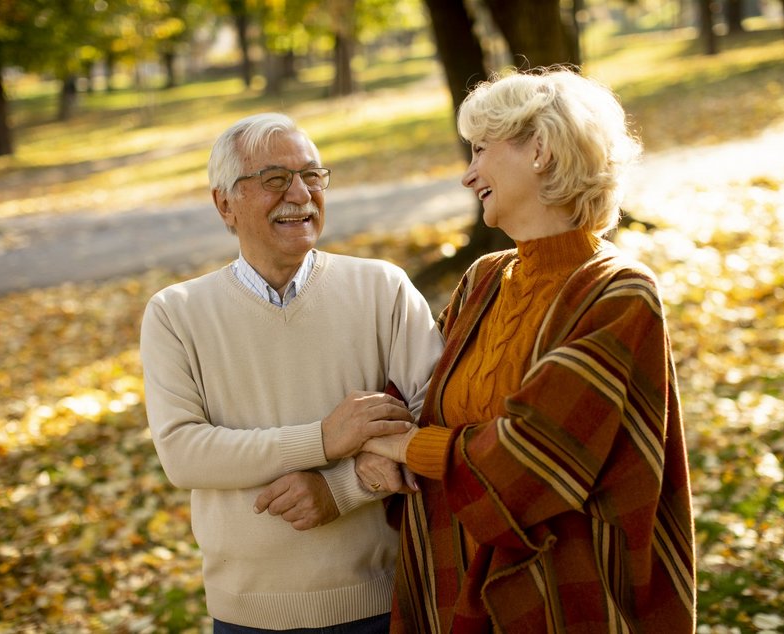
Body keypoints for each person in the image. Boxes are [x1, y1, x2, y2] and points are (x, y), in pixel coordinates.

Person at [360, 68, 696, 632]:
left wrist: (404, 447)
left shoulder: (616, 292)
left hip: (560, 600)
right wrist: (375, 444)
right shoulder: (483, 279)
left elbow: (532, 459)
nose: (468, 176)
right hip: (450, 583)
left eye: (481, 150)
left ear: (538, 149)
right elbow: (413, 395)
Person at [139, 112, 444, 633]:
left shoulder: (383, 289)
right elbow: (184, 453)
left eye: (313, 176)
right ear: (224, 204)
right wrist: (322, 440)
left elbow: (438, 414)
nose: (301, 194)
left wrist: (343, 488)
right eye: (275, 180)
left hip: (383, 600)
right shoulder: (175, 313)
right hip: (247, 615)